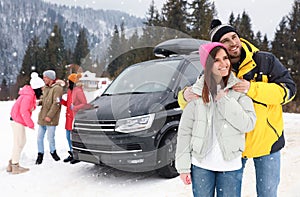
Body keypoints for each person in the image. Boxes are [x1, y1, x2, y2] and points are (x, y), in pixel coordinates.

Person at [178, 19, 297, 196]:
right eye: (226, 40)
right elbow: (198, 96)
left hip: (267, 142)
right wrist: (183, 96)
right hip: (233, 148)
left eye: (234, 37)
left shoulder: (265, 61)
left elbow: (288, 91)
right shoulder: (218, 67)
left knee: (268, 192)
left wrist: (252, 88)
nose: (233, 43)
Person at [175, 42, 256, 197]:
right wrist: (183, 167)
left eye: (225, 58)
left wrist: (224, 100)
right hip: (201, 165)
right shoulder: (196, 93)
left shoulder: (238, 89)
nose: (223, 63)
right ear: (208, 65)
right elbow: (185, 132)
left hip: (230, 164)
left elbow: (248, 124)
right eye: (216, 60)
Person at [7, 72, 45, 174]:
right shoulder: (28, 96)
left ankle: (12, 163)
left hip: (17, 120)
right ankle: (15, 166)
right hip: (17, 120)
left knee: (20, 142)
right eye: (41, 88)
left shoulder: (29, 94)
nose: (42, 90)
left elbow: (29, 106)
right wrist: (31, 124)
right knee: (19, 142)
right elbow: (24, 112)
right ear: (37, 88)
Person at [35, 70, 64, 164]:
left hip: (50, 119)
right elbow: (43, 99)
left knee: (50, 138)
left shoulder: (57, 89)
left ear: (50, 78)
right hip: (42, 117)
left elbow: (56, 103)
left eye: (45, 77)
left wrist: (49, 116)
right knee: (39, 138)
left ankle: (53, 152)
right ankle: (40, 154)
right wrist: (39, 102)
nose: (44, 79)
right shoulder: (46, 88)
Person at [61, 73, 88, 164]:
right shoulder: (70, 90)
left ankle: (77, 155)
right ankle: (72, 153)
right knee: (68, 137)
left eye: (69, 81)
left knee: (74, 137)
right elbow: (68, 104)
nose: (67, 83)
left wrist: (75, 108)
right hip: (68, 117)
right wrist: (62, 101)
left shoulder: (78, 91)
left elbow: (84, 103)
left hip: (74, 117)